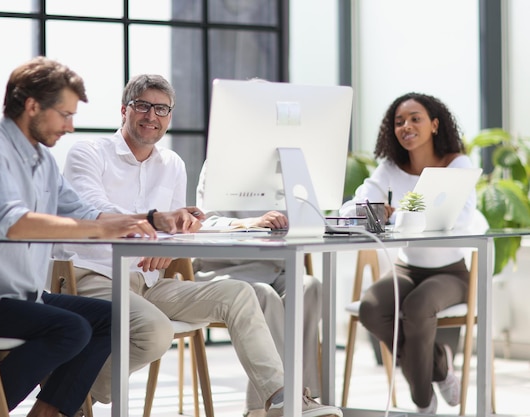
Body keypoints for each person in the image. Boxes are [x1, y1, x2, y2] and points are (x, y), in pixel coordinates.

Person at [54, 73, 342, 417]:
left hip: (150, 282)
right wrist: (154, 223)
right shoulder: (89, 152)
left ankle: (282, 400)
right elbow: (93, 212)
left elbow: (180, 235)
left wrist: (174, 241)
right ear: (124, 110)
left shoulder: (172, 164)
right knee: (155, 331)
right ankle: (68, 390)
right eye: (143, 106)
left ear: (170, 117)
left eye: (162, 109)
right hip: (95, 277)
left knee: (240, 294)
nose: (152, 116)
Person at [0, 57, 197, 417]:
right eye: (64, 114)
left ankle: (46, 413)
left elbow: (87, 212)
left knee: (110, 320)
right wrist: (101, 228)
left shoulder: (41, 162)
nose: (70, 127)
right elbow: (12, 223)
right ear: (32, 106)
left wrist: (151, 219)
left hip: (27, 298)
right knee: (72, 329)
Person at [339, 92, 472, 414]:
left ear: (435, 124)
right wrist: (366, 209)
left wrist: (396, 214)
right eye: (399, 122)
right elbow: (350, 209)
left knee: (418, 308)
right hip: (405, 269)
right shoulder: (388, 168)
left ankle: (422, 404)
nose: (406, 126)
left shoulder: (456, 164)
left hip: (450, 272)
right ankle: (438, 365)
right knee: (371, 309)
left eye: (415, 118)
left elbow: (461, 218)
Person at [194, 161, 323, 417]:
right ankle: (264, 405)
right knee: (264, 295)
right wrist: (255, 222)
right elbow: (206, 223)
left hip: (275, 266)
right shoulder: (217, 166)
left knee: (310, 287)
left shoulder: (285, 165)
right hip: (226, 269)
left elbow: (303, 216)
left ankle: (304, 394)